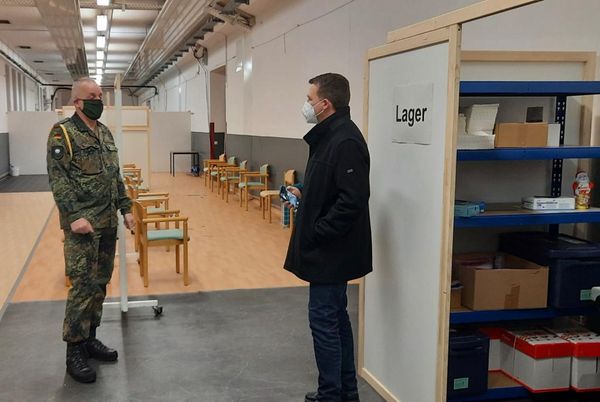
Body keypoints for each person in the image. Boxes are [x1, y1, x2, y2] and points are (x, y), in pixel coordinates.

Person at [284, 73, 372, 402]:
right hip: (329, 250)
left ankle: (331, 394)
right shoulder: (330, 136)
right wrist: (303, 191)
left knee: (324, 322)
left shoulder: (344, 140)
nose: (306, 105)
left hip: (331, 252)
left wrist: (319, 231)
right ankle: (344, 392)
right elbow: (331, 188)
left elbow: (352, 199)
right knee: (335, 318)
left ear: (326, 104)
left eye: (310, 99)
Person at [46, 78, 135, 383]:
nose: (99, 99)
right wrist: (72, 216)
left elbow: (114, 174)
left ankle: (90, 339)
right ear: (78, 102)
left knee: (99, 284)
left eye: (101, 95)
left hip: (107, 221)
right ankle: (74, 350)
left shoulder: (105, 133)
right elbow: (58, 178)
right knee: (82, 287)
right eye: (93, 96)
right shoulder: (63, 133)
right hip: (82, 225)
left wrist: (126, 208)